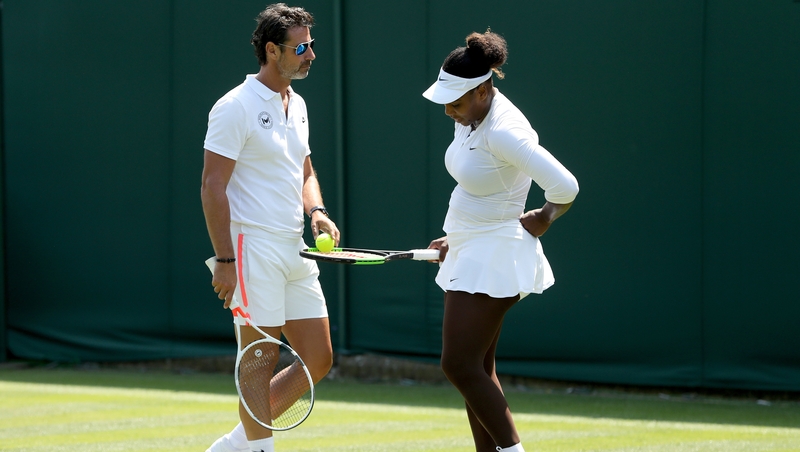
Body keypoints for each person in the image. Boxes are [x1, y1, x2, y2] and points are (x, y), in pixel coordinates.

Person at [422, 30, 579, 452]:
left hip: (496, 253)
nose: (448, 112)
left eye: (455, 103)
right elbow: (481, 188)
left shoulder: (505, 132)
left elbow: (565, 185)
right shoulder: (472, 115)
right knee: (478, 368)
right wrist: (456, 236)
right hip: (473, 246)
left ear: (484, 90)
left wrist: (546, 216)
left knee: (458, 364)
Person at [200, 4, 339, 452]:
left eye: (311, 45)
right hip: (250, 246)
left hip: (293, 247)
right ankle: (260, 447)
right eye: (301, 47)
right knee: (260, 360)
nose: (311, 54)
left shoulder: (296, 104)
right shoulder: (233, 107)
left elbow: (304, 171)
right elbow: (212, 185)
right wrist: (225, 259)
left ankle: (237, 443)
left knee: (318, 357)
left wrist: (316, 211)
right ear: (271, 50)